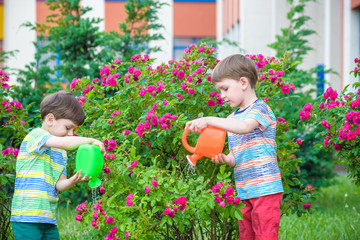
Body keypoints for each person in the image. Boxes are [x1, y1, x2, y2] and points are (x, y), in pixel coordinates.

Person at [185, 54, 283, 240]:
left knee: (265, 236)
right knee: (247, 236)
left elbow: (245, 127)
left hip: (265, 189)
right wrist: (227, 159)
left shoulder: (260, 108)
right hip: (244, 189)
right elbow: (236, 154)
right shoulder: (231, 119)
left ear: (243, 83)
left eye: (225, 89)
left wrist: (208, 120)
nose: (222, 96)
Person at [10, 92, 105, 240]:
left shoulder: (60, 152)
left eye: (74, 130)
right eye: (68, 128)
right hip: (26, 216)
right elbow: (65, 143)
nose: (71, 134)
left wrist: (73, 180)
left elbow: (59, 185)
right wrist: (91, 141)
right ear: (50, 119)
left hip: (48, 217)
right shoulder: (36, 136)